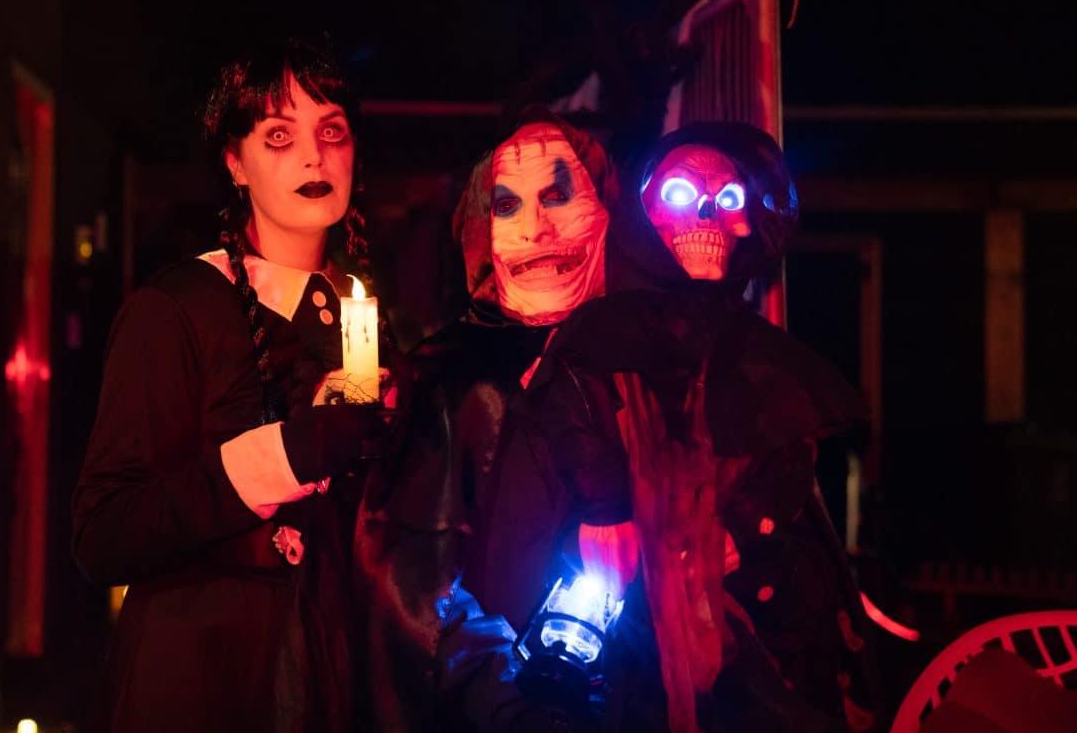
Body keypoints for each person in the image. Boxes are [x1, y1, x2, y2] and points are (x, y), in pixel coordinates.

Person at [72, 39, 388, 733]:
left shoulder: (364, 318)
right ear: (234, 162)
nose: (314, 157)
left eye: (332, 131)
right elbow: (103, 536)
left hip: (332, 682)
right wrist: (282, 458)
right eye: (279, 136)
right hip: (201, 682)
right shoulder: (178, 309)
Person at [527, 122, 884, 731]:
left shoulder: (765, 357)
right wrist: (605, 505)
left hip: (744, 598)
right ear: (645, 216)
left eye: (729, 199)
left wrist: (742, 526)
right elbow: (574, 413)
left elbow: (784, 455)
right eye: (679, 195)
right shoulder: (601, 334)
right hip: (622, 592)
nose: (705, 216)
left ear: (751, 223)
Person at [354, 109, 632, 732]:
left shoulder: (646, 369)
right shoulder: (452, 382)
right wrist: (506, 696)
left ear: (605, 213)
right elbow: (412, 579)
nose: (534, 230)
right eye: (507, 206)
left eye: (557, 197)